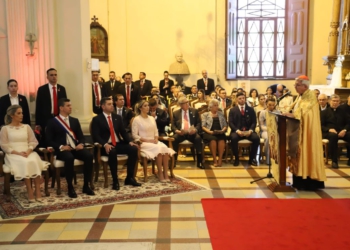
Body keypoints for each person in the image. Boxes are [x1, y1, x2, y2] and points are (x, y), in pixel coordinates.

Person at [283, 75, 326, 190]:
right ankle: (299, 181)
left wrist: (292, 115)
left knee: (306, 152)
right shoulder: (300, 96)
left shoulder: (310, 96)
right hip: (298, 131)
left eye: (297, 85)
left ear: (304, 86)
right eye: (295, 84)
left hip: (307, 134)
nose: (295, 87)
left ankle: (308, 182)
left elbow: (305, 114)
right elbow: (296, 110)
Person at [46, 98, 95, 198]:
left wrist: (81, 144)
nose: (70, 107)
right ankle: (70, 187)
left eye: (70, 105)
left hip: (75, 148)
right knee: (69, 158)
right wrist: (61, 146)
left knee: (88, 156)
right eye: (68, 106)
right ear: (61, 108)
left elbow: (81, 136)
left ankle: (86, 185)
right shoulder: (52, 122)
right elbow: (48, 140)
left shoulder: (74, 121)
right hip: (62, 150)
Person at [0, 105, 48, 202]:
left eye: (22, 113)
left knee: (34, 160)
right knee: (25, 162)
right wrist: (18, 153)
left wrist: (28, 151)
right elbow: (4, 145)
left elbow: (33, 142)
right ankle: (30, 191)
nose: (22, 115)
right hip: (13, 154)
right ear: (12, 115)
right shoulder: (5, 129)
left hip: (27, 152)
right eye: (19, 113)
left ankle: (37, 191)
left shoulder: (27, 127)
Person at [91, 97, 141, 190]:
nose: (112, 106)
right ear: (103, 106)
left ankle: (130, 178)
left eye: (112, 104)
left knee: (133, 149)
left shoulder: (117, 117)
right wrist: (105, 144)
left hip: (118, 143)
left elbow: (123, 132)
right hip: (105, 146)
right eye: (109, 104)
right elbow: (96, 136)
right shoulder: (97, 119)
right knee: (112, 151)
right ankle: (115, 180)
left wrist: (130, 141)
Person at [132, 100, 175, 182]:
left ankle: (165, 173)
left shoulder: (152, 118)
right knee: (158, 149)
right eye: (145, 106)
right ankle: (160, 174)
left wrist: (155, 138)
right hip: (144, 143)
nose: (148, 107)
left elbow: (156, 131)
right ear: (140, 108)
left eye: (148, 105)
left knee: (164, 148)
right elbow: (135, 135)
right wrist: (147, 140)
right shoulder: (136, 119)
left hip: (154, 142)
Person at [171, 96, 203, 169]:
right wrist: (177, 131)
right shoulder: (176, 113)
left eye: (187, 102)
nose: (187, 104)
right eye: (185, 103)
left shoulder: (194, 111)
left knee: (198, 139)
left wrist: (195, 130)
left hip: (191, 132)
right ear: (181, 105)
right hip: (181, 133)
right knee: (174, 139)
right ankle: (174, 161)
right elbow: (173, 126)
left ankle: (200, 162)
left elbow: (199, 124)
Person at [229, 92, 260, 166]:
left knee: (256, 138)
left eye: (243, 98)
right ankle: (236, 159)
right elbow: (230, 123)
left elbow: (254, 122)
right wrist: (237, 130)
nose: (242, 100)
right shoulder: (232, 110)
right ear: (237, 100)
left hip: (248, 131)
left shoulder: (251, 109)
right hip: (237, 131)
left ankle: (251, 159)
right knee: (233, 138)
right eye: (240, 98)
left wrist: (251, 130)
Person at [35, 68, 67, 139]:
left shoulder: (62, 89)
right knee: (47, 138)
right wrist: (38, 123)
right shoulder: (42, 89)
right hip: (46, 118)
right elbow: (38, 106)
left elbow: (65, 105)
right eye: (51, 75)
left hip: (59, 117)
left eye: (55, 75)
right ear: (47, 77)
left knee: (59, 138)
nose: (54, 77)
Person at [320, 94, 350, 169]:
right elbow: (320, 125)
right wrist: (329, 129)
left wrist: (344, 130)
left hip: (341, 131)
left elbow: (348, 123)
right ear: (330, 101)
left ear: (339, 102)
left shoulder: (343, 112)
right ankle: (334, 161)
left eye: (337, 101)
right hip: (329, 132)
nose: (335, 103)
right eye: (333, 101)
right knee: (333, 136)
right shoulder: (324, 112)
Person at [201, 99, 227, 167]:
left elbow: (225, 125)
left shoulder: (221, 114)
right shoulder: (205, 114)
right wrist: (210, 132)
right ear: (210, 107)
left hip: (220, 132)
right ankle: (215, 159)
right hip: (209, 132)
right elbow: (203, 126)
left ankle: (220, 159)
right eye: (215, 105)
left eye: (217, 105)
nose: (217, 107)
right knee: (213, 141)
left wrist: (222, 130)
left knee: (221, 140)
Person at [259, 97, 279, 165]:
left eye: (273, 105)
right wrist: (269, 129)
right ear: (266, 104)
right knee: (268, 138)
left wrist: (274, 129)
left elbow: (279, 124)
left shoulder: (277, 112)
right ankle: (268, 159)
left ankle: (276, 158)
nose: (271, 106)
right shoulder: (263, 112)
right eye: (270, 105)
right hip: (265, 131)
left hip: (275, 130)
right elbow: (261, 125)